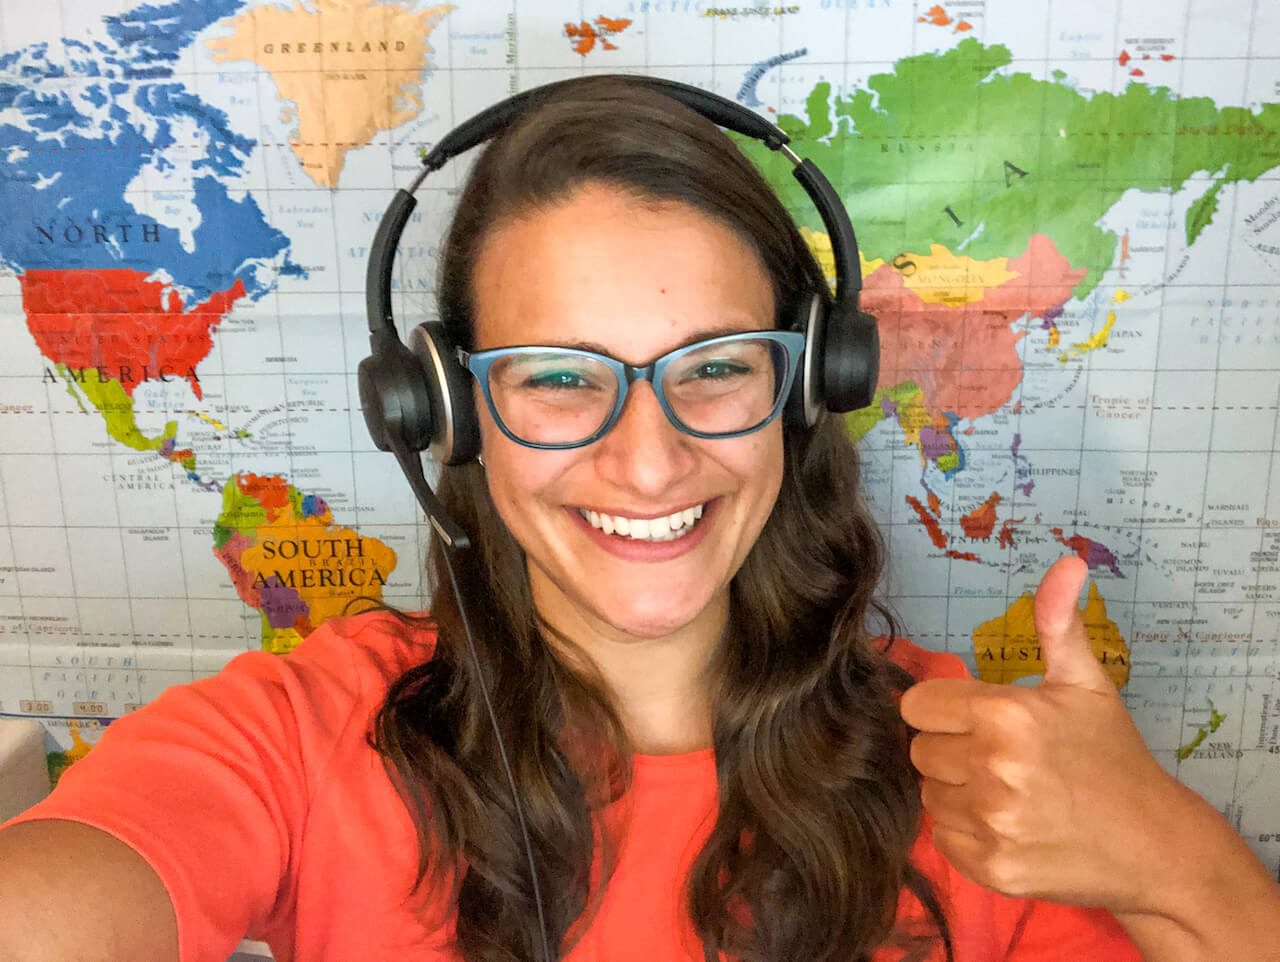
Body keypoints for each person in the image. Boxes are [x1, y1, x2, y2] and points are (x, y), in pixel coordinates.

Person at [1, 76, 1277, 962]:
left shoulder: (983, 772)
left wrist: (1167, 850)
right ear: (452, 410)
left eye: (714, 364)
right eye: (558, 376)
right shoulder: (298, 734)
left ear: (804, 386)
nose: (649, 458)